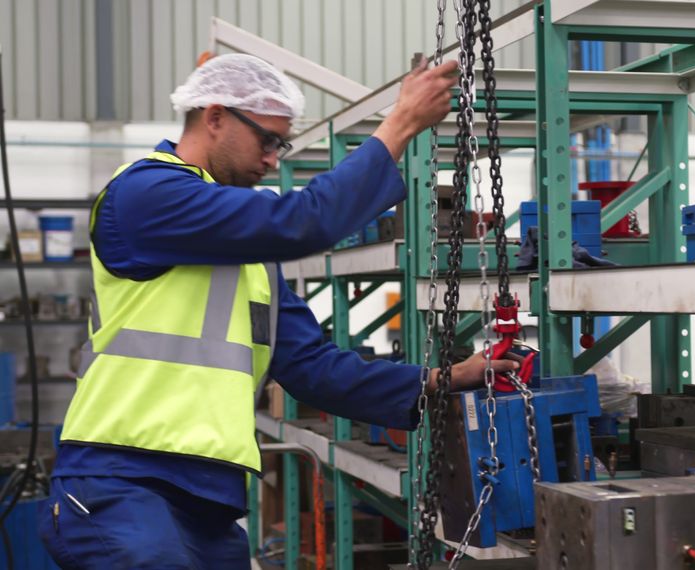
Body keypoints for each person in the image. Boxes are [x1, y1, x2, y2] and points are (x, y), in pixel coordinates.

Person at [36, 53, 518, 569]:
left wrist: (444, 378)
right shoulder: (145, 193)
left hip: (207, 501)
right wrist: (399, 124)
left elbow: (313, 369)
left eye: (280, 145)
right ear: (215, 117)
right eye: (268, 140)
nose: (273, 159)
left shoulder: (249, 258)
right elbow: (303, 219)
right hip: (121, 482)